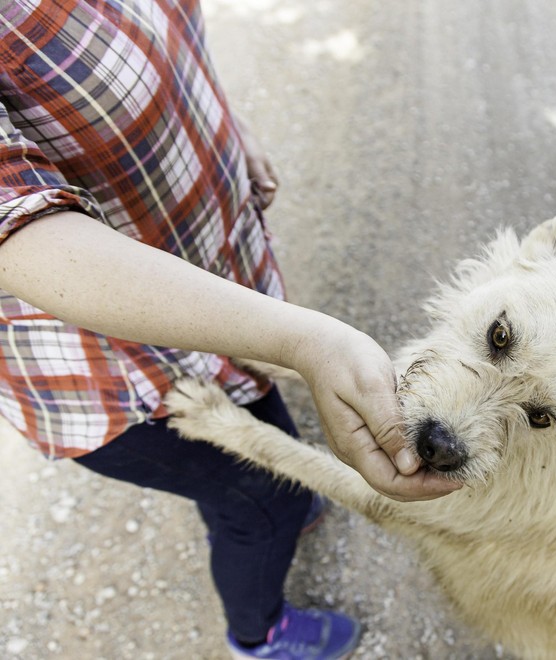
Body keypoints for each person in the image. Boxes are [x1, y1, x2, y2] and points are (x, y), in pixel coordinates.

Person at [0, 1, 458, 658]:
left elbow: (165, 34)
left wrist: (226, 122)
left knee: (271, 437)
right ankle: (259, 634)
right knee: (260, 496)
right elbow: (17, 228)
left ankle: (280, 505)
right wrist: (304, 341)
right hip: (118, 370)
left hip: (214, 294)